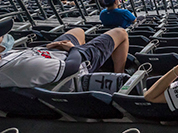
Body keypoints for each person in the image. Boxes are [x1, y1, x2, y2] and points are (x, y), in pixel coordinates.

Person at [0, 19, 129, 88]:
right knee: (120, 32)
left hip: (50, 53)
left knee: (78, 31)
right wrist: (73, 49)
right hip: (76, 63)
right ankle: (119, 75)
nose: (5, 37)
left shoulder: (5, 57)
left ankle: (97, 60)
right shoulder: (19, 68)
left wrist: (49, 47)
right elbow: (71, 68)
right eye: (1, 36)